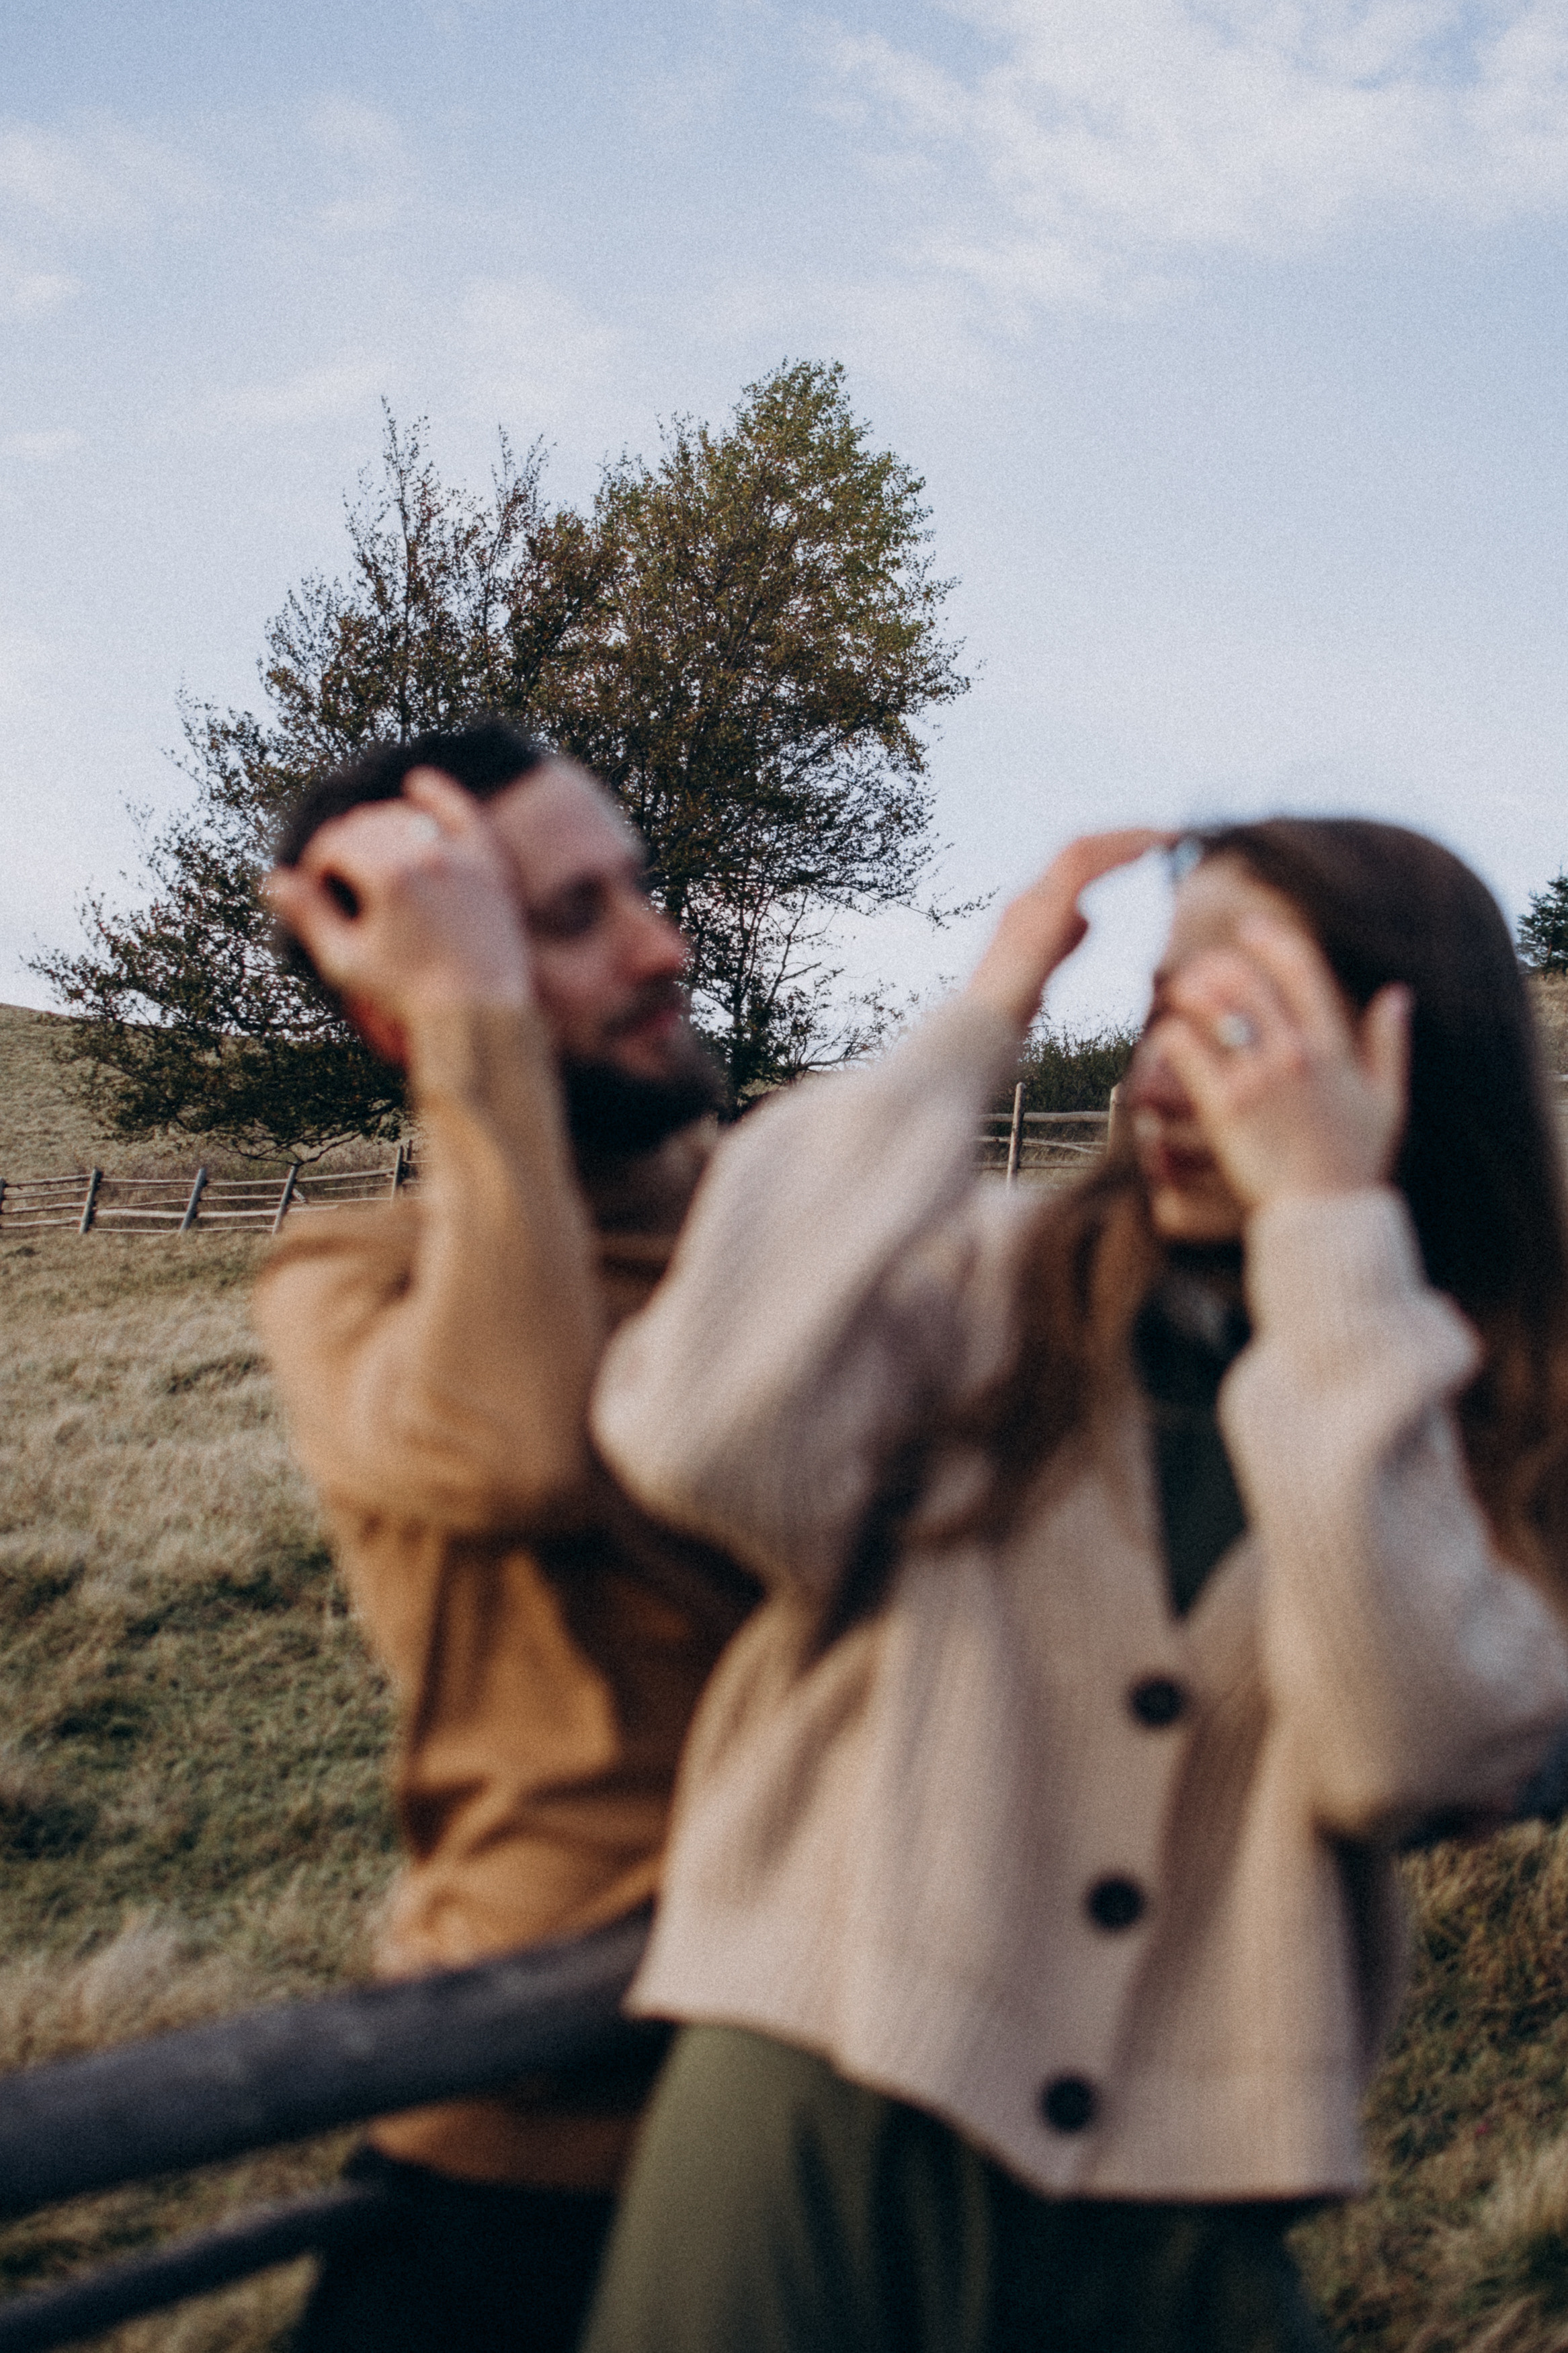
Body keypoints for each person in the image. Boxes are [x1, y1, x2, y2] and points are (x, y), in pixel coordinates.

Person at [582, 818, 1568, 2353]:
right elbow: (696, 1431)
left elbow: (1413, 1749)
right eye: (1166, 1003)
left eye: (1249, 1018)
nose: (1171, 1064)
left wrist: (1328, 1240)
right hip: (810, 2123)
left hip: (1192, 2222)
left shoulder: (1490, 1410)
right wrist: (982, 1020)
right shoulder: (985, 1278)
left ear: (1404, 1055)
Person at [255, 720, 758, 2353]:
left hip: (850, 2109)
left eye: (638, 890)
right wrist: (467, 1024)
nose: (660, 947)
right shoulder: (351, 1282)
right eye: (563, 918)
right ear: (404, 989)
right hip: (529, 2140)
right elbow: (517, 1447)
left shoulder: (786, 1225)